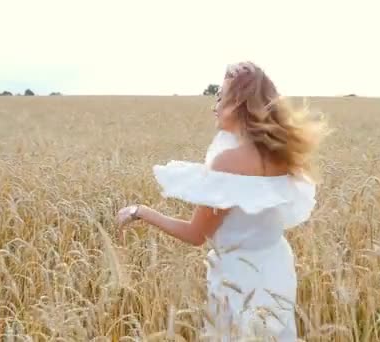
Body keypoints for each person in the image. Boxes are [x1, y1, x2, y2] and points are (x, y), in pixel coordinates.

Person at [116, 61, 327, 340]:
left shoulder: (227, 161)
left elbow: (195, 235)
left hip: (238, 277)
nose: (213, 106)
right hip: (276, 268)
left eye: (220, 97)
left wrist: (140, 211)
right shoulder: (280, 155)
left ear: (238, 103)